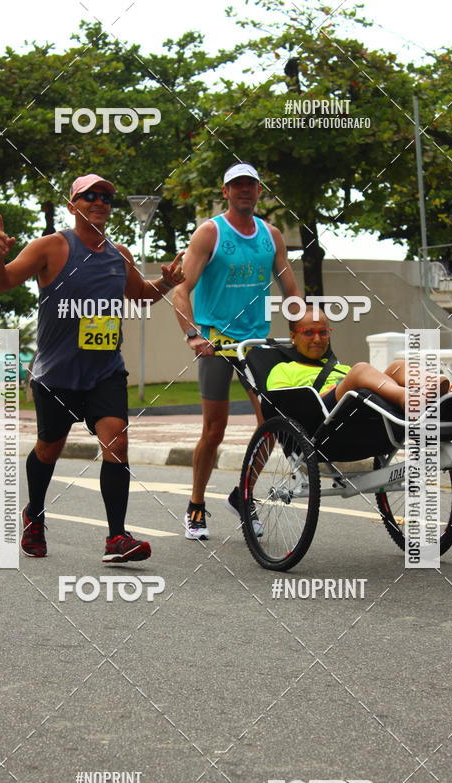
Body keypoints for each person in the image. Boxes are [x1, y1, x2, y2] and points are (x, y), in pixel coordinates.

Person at [0, 173, 185, 562]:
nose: (99, 202)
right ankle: (35, 516)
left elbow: (140, 296)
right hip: (56, 374)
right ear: (72, 204)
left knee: (117, 441)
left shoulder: (119, 254)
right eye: (89, 196)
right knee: (48, 449)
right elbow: (1, 283)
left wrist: (166, 284)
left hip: (105, 370)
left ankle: (117, 538)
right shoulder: (50, 247)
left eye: (106, 197)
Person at [172, 162, 300, 539]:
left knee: (271, 426)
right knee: (214, 429)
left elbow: (291, 291)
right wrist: (193, 336)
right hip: (218, 340)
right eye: (236, 185)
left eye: (251, 185)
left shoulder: (272, 235)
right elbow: (182, 289)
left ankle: (241, 496)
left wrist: (304, 327)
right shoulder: (210, 232)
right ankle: (196, 505)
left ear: (259, 191)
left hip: (257, 341)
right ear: (225, 192)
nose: (244, 190)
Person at [267, 304, 452, 404]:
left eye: (323, 332)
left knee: (399, 365)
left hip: (358, 404)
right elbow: (288, 409)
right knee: (360, 370)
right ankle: (410, 399)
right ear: (293, 336)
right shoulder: (283, 370)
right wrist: (333, 389)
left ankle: (450, 391)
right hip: (323, 412)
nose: (317, 339)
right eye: (308, 333)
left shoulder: (340, 368)